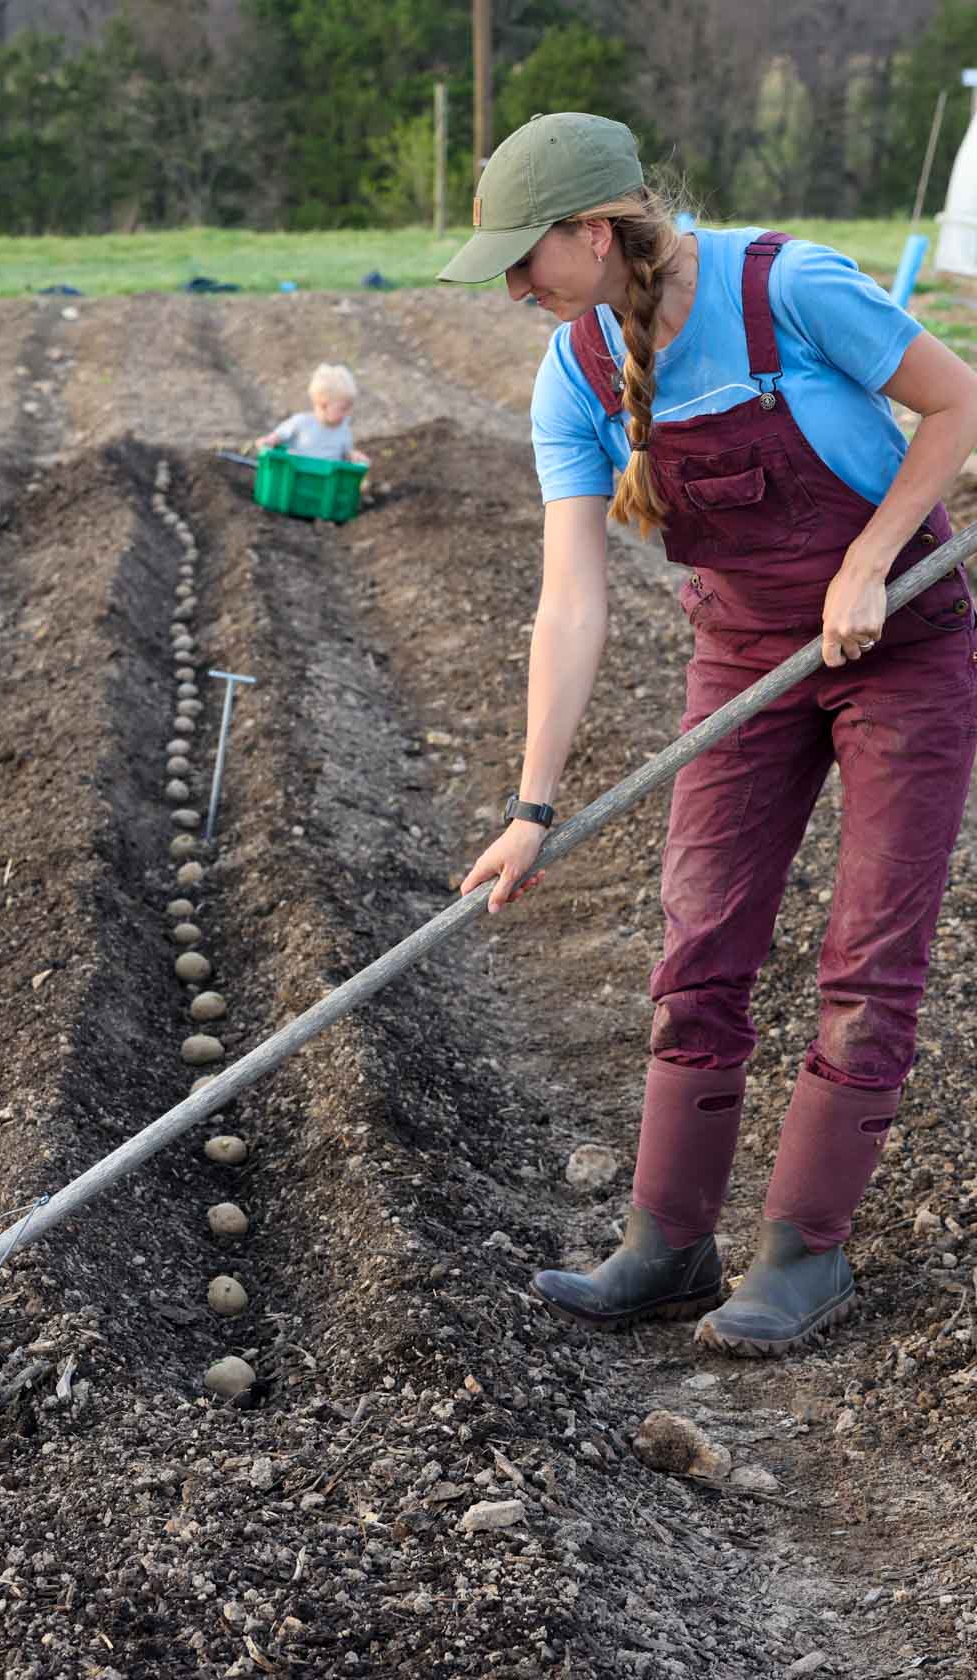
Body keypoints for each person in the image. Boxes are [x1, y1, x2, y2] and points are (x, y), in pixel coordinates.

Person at [440, 112, 977, 1356]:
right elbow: (567, 602)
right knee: (701, 941)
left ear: (596, 231)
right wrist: (530, 810)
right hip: (745, 655)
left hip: (901, 641)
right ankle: (668, 1243)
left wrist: (871, 556)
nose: (518, 286)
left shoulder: (788, 288)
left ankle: (806, 1256)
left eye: (530, 258)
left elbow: (955, 406)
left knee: (869, 955)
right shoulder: (574, 372)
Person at [255, 362, 370, 466]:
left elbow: (346, 455)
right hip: (296, 478)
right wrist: (267, 442)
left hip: (325, 484)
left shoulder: (344, 430)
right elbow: (276, 438)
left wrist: (354, 456)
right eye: (344, 409)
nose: (349, 413)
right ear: (323, 405)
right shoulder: (301, 423)